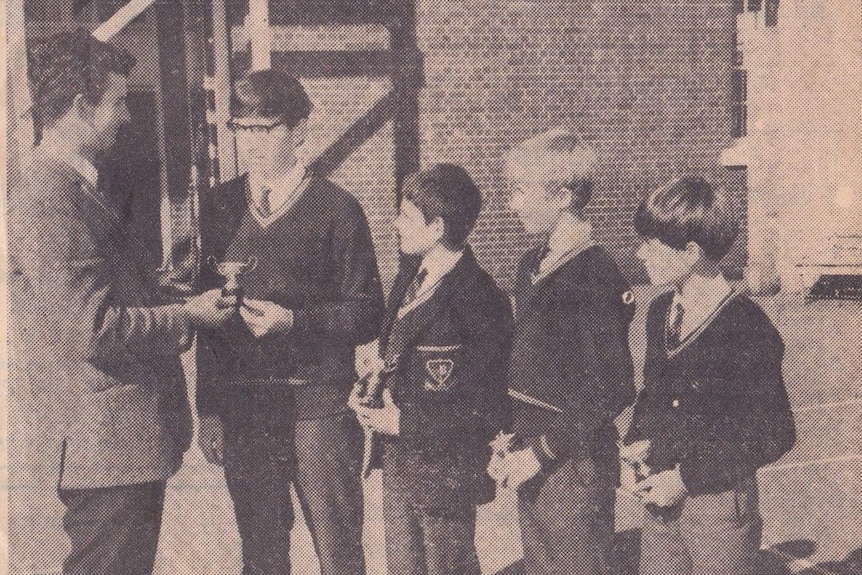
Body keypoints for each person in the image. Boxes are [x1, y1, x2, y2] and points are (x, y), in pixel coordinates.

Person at [8, 29, 233, 575]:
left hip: (118, 451)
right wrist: (188, 315)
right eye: (117, 102)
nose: (128, 117)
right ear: (81, 108)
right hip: (105, 453)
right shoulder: (48, 198)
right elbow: (91, 328)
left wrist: (169, 292)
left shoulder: (78, 188)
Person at [195, 69, 384, 575]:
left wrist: (294, 322)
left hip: (318, 407)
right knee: (261, 555)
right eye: (243, 129)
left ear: (299, 129)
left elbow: (369, 312)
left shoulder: (338, 209)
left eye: (267, 129)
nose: (252, 143)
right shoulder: (217, 209)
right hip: (245, 408)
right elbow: (207, 316)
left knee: (338, 552)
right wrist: (209, 408)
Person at [623, 175, 796, 575]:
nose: (639, 253)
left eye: (650, 242)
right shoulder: (659, 311)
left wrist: (684, 479)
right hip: (659, 505)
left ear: (690, 252)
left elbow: (776, 431)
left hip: (716, 511)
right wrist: (636, 443)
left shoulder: (747, 327)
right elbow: (653, 395)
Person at [350, 164, 513, 575]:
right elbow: (396, 352)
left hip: (447, 475)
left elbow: (486, 407)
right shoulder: (410, 274)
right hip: (399, 464)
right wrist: (373, 380)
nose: (395, 224)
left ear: (437, 226)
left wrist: (402, 420)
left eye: (405, 215)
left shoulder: (481, 299)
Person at [492, 128, 636, 575]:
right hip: (528, 453)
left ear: (563, 196)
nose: (511, 204)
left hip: (573, 461)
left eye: (519, 191)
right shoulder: (530, 263)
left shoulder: (595, 273)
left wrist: (542, 451)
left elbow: (613, 387)